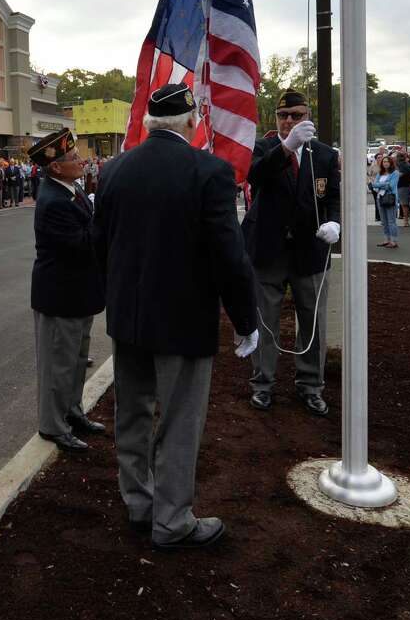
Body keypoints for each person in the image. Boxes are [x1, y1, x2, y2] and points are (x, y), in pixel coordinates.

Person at [93, 83, 258, 550]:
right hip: (184, 322)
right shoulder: (209, 171)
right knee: (180, 422)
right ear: (191, 122)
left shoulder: (114, 169)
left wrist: (118, 296)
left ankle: (139, 504)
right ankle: (172, 521)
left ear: (148, 124)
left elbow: (98, 244)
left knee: (133, 415)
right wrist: (246, 320)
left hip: (129, 319)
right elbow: (229, 255)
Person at [242, 90, 341, 416]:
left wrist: (334, 224)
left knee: (313, 323)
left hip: (309, 250)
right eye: (283, 116)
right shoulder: (263, 148)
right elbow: (254, 176)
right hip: (268, 249)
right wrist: (287, 147)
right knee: (265, 322)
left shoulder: (324, 154)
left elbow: (333, 198)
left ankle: (311, 386)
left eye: (296, 115)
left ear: (307, 116)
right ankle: (262, 384)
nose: (289, 121)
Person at [29, 128, 106, 452]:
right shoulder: (53, 201)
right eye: (73, 157)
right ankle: (52, 425)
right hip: (60, 296)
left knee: (75, 361)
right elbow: (80, 246)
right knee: (58, 365)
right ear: (56, 166)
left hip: (77, 293)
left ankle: (72, 412)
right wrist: (106, 217)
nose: (81, 160)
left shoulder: (68, 190)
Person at [370, 155, 400, 249]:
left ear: (391, 163)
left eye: (387, 161)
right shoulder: (380, 173)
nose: (385, 163)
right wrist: (380, 185)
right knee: (384, 221)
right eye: (384, 162)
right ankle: (386, 240)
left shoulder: (395, 173)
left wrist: (377, 184)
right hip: (380, 198)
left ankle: (393, 241)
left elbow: (390, 186)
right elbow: (374, 186)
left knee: (391, 221)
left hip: (390, 198)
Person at [396, 151, 410, 222]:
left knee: (404, 204)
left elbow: (398, 176)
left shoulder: (402, 165)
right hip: (408, 185)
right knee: (406, 203)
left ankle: (406, 221)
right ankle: (406, 219)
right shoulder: (407, 164)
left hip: (403, 186)